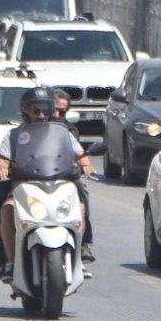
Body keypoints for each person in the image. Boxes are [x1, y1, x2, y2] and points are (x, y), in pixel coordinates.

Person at [0, 88, 95, 284]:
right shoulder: (15, 135)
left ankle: (80, 255)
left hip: (59, 184)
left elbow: (81, 155)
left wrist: (87, 166)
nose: (41, 115)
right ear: (26, 111)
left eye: (45, 110)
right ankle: (9, 262)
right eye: (35, 111)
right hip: (25, 185)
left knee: (80, 206)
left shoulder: (63, 134)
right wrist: (2, 168)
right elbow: (2, 158)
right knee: (6, 209)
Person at [53, 90, 95, 264]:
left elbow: (79, 154)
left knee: (82, 192)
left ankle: (84, 243)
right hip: (33, 178)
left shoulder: (69, 131)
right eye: (53, 110)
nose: (56, 115)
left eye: (61, 112)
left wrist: (86, 166)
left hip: (63, 178)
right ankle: (1, 250)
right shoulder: (30, 128)